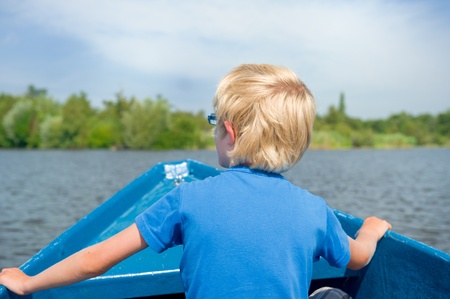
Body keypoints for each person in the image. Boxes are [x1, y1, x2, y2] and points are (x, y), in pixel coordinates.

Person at [0, 64, 391, 298]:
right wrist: (371, 230)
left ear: (230, 133)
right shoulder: (313, 210)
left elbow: (93, 260)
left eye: (213, 124)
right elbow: (358, 257)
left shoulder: (187, 199)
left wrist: (28, 282)